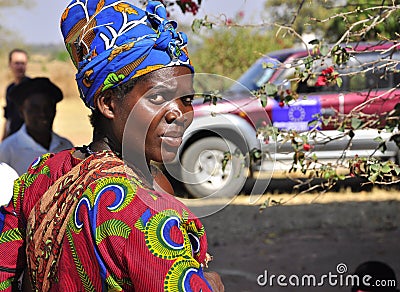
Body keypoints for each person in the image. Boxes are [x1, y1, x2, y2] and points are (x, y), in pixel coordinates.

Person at [0, 1, 224, 291]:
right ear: (107, 103)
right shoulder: (144, 214)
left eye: (187, 99)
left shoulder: (42, 174)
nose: (178, 113)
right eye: (157, 98)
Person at [0, 77, 74, 175]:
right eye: (34, 108)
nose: (42, 114)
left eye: (48, 107)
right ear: (22, 111)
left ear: (55, 110)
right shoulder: (7, 150)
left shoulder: (66, 147)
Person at [2, 49, 30, 140]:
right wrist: (3, 140)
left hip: (28, 140)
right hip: (12, 139)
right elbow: (8, 118)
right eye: (17, 63)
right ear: (10, 64)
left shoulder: (33, 87)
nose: (20, 67)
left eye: (23, 63)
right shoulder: (10, 89)